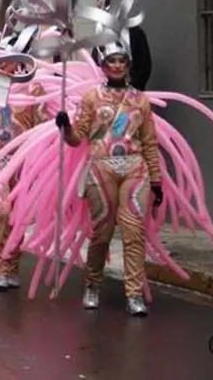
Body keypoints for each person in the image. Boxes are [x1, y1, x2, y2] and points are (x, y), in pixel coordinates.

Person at [54, 37, 162, 317]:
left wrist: (156, 179)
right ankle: (92, 285)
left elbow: (149, 142)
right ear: (103, 66)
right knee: (101, 233)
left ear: (128, 66)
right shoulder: (91, 98)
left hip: (135, 170)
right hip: (101, 169)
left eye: (121, 61)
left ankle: (134, 294)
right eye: (111, 61)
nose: (116, 65)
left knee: (133, 232)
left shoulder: (141, 100)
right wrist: (65, 127)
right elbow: (77, 139)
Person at [0, 30, 49, 292]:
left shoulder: (32, 86)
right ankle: (2, 266)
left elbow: (42, 123)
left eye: (9, 58)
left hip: (23, 160)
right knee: (1, 211)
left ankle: (12, 265)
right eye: (0, 58)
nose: (4, 63)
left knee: (17, 216)